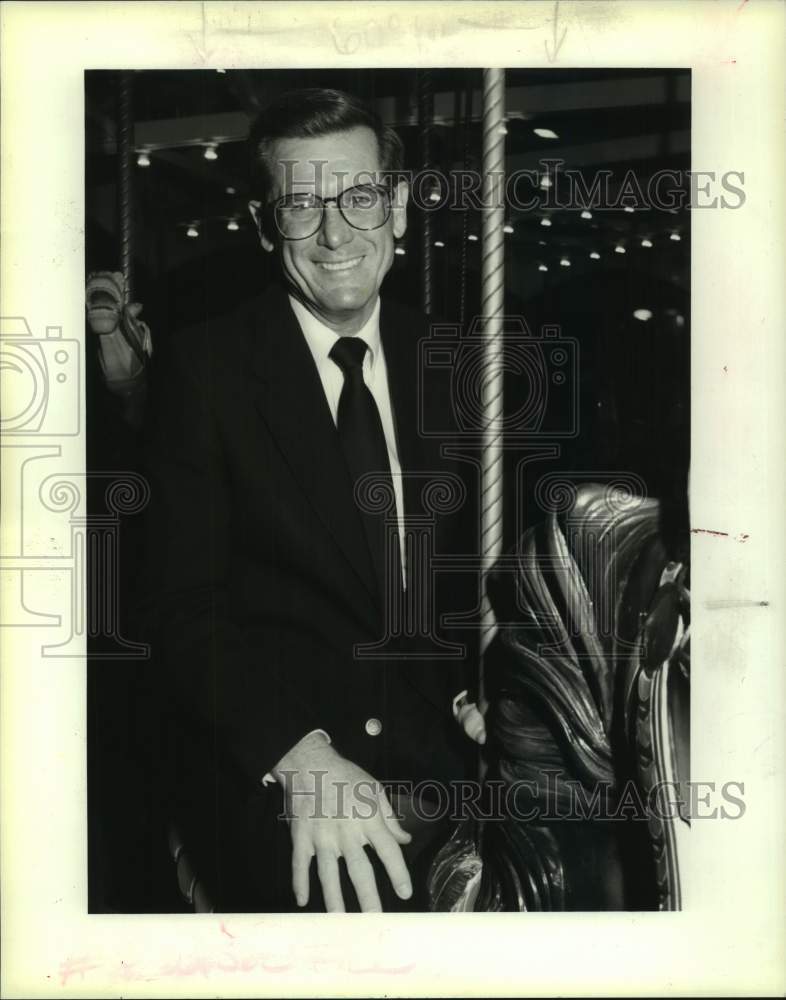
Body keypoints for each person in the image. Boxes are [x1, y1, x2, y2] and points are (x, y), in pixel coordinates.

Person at [141, 88, 486, 913]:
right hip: (288, 776)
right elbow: (180, 610)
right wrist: (297, 756)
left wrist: (492, 685)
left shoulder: (457, 362)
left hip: (454, 769)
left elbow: (488, 574)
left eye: (359, 197)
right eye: (302, 205)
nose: (336, 234)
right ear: (267, 225)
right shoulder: (206, 372)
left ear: (397, 210)